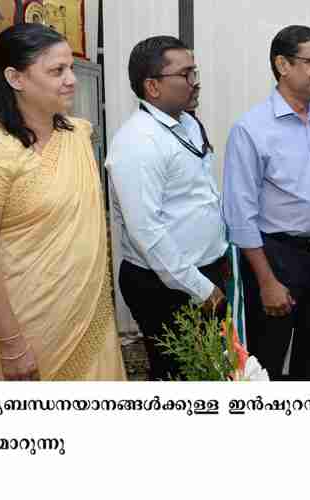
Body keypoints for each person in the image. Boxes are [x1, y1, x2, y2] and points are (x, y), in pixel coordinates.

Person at [0, 23, 126, 381]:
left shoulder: (77, 135)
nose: (71, 79)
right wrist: (11, 345)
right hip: (26, 328)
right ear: (15, 78)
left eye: (71, 69)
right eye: (57, 70)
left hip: (90, 314)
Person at [223, 25, 310, 380]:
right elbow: (240, 214)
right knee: (268, 357)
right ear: (282, 64)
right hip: (276, 257)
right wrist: (266, 280)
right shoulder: (251, 129)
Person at [106, 36, 229, 380]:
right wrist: (201, 288)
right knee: (178, 374)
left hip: (202, 271)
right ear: (153, 86)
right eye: (186, 74)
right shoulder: (137, 142)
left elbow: (199, 197)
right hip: (165, 284)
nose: (195, 81)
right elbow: (147, 231)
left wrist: (220, 258)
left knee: (211, 369)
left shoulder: (188, 123)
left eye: (195, 71)